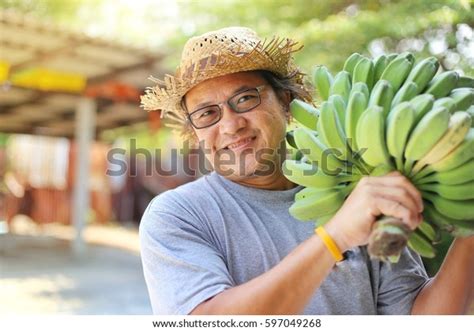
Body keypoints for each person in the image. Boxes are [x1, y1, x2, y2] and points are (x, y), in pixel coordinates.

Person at [139, 27, 474, 315]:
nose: (230, 125)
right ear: (194, 131)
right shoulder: (179, 215)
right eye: (207, 114)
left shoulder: (353, 190)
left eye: (244, 99)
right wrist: (335, 237)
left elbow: (423, 318)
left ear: (285, 102)